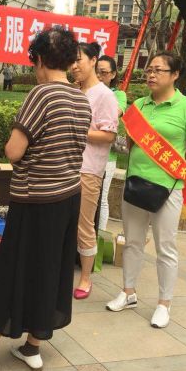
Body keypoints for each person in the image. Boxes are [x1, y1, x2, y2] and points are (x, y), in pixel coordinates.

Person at [0, 27, 91, 371]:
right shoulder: (80, 99)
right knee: (50, 271)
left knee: (10, 271)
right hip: (68, 196)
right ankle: (32, 346)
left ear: (38, 59)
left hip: (35, 199)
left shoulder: (42, 95)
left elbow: (13, 151)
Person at [106, 51, 186, 328]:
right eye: (149, 70)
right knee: (132, 241)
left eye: (158, 70)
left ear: (175, 75)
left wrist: (170, 169)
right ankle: (128, 292)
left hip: (168, 188)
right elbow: (130, 143)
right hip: (136, 184)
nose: (151, 75)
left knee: (166, 247)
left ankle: (164, 303)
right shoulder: (139, 105)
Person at [70, 42, 119, 300]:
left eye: (78, 59)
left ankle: (86, 278)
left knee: (83, 225)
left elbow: (109, 135)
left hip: (88, 170)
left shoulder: (104, 95)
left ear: (93, 61)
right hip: (64, 166)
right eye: (71, 60)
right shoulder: (73, 91)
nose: (73, 65)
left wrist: (78, 130)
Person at [96, 55, 128, 231]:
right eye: (96, 72)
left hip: (106, 157)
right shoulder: (86, 91)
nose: (99, 76)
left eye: (104, 72)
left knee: (101, 199)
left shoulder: (118, 95)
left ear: (113, 74)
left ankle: (99, 235)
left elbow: (114, 113)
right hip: (83, 155)